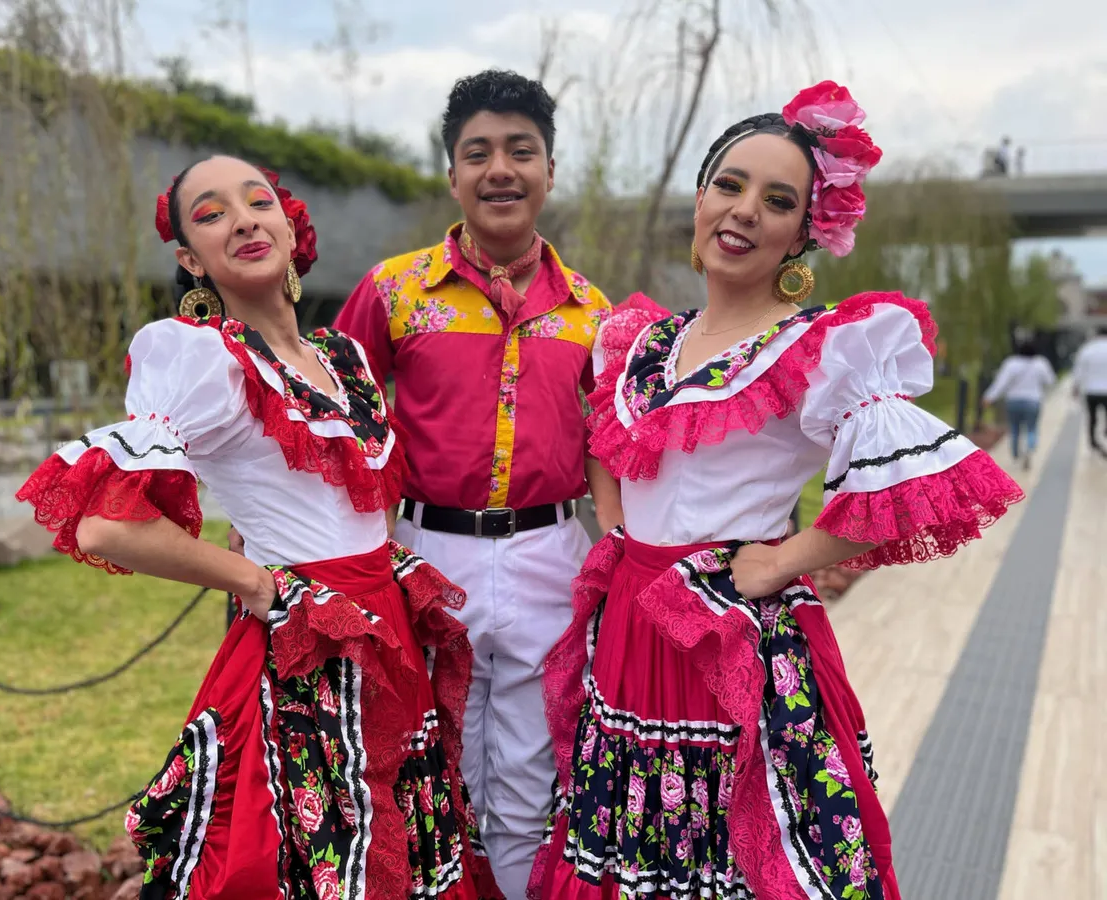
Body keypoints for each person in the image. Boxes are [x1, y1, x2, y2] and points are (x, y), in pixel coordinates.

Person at [527, 81, 1024, 900]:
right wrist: (615, 523)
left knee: (738, 851)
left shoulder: (816, 347)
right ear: (700, 198)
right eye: (730, 184)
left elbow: (910, 482)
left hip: (730, 640)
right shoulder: (643, 339)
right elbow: (605, 438)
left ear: (804, 233)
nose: (746, 210)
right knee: (629, 841)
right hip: (630, 627)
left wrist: (782, 560)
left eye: (778, 199)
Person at [16, 156, 500, 900]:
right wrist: (255, 580)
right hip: (303, 649)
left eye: (258, 202)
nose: (243, 220)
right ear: (191, 260)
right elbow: (106, 527)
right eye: (211, 215)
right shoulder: (207, 358)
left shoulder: (343, 359)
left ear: (290, 226)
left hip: (384, 635)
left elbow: (365, 500)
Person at [332, 69, 615, 899]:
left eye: (521, 151)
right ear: (452, 172)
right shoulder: (392, 290)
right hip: (426, 555)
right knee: (424, 767)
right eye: (478, 152)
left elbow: (615, 442)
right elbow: (334, 415)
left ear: (549, 170)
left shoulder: (592, 312)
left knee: (529, 776)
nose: (501, 169)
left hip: (548, 552)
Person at [981, 339, 1056, 469]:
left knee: (1015, 428)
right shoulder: (1041, 363)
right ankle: (1029, 449)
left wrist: (989, 397)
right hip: (1033, 401)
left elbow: (1001, 383)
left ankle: (1016, 453)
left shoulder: (1011, 363)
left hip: (1013, 401)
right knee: (1032, 428)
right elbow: (1050, 381)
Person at [1073, 324, 1107, 456]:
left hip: (1091, 390)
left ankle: (1093, 442)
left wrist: (1076, 387)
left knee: (1092, 417)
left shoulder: (1087, 349)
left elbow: (1079, 370)